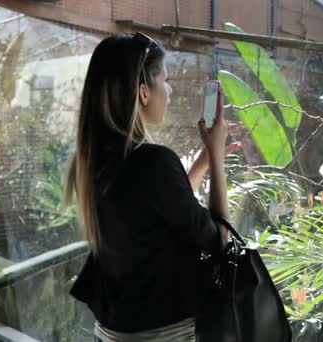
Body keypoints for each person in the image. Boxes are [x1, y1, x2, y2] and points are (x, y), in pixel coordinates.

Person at [65, 32, 230, 342]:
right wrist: (218, 157)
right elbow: (219, 238)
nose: (169, 90)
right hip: (161, 334)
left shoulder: (93, 159)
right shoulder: (153, 161)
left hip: (113, 330)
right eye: (165, 80)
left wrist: (204, 161)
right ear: (143, 91)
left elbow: (163, 211)